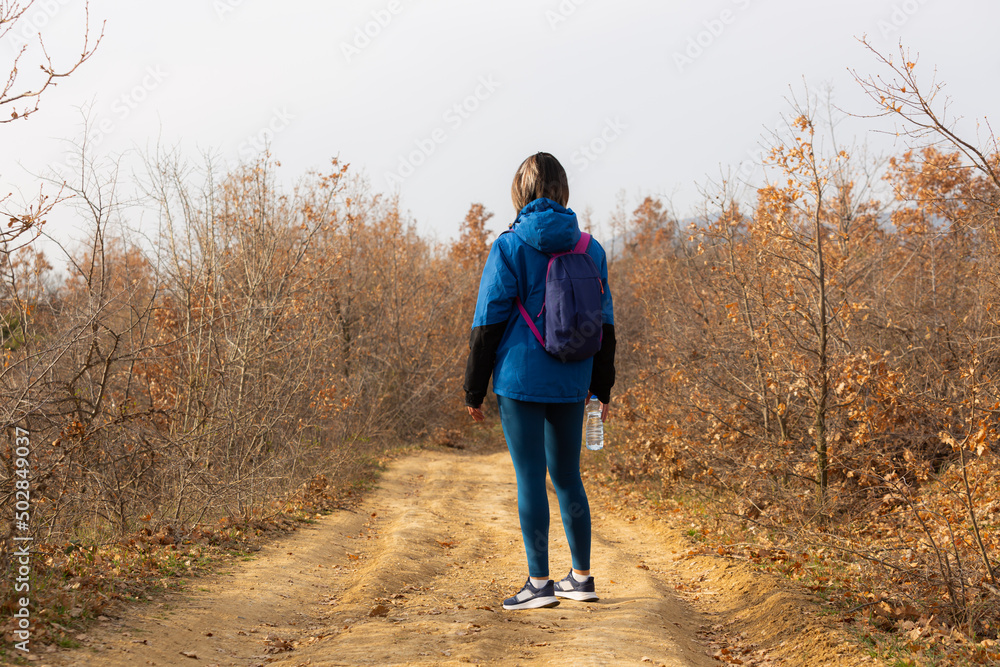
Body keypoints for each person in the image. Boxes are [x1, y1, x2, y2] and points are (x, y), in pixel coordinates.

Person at [464, 152, 616, 610]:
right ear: (563, 189)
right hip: (573, 378)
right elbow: (606, 325)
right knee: (567, 476)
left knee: (530, 476)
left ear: (520, 191)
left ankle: (539, 584)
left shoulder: (509, 246)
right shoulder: (590, 248)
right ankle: (582, 578)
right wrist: (602, 387)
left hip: (521, 378)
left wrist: (474, 388)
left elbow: (488, 322)